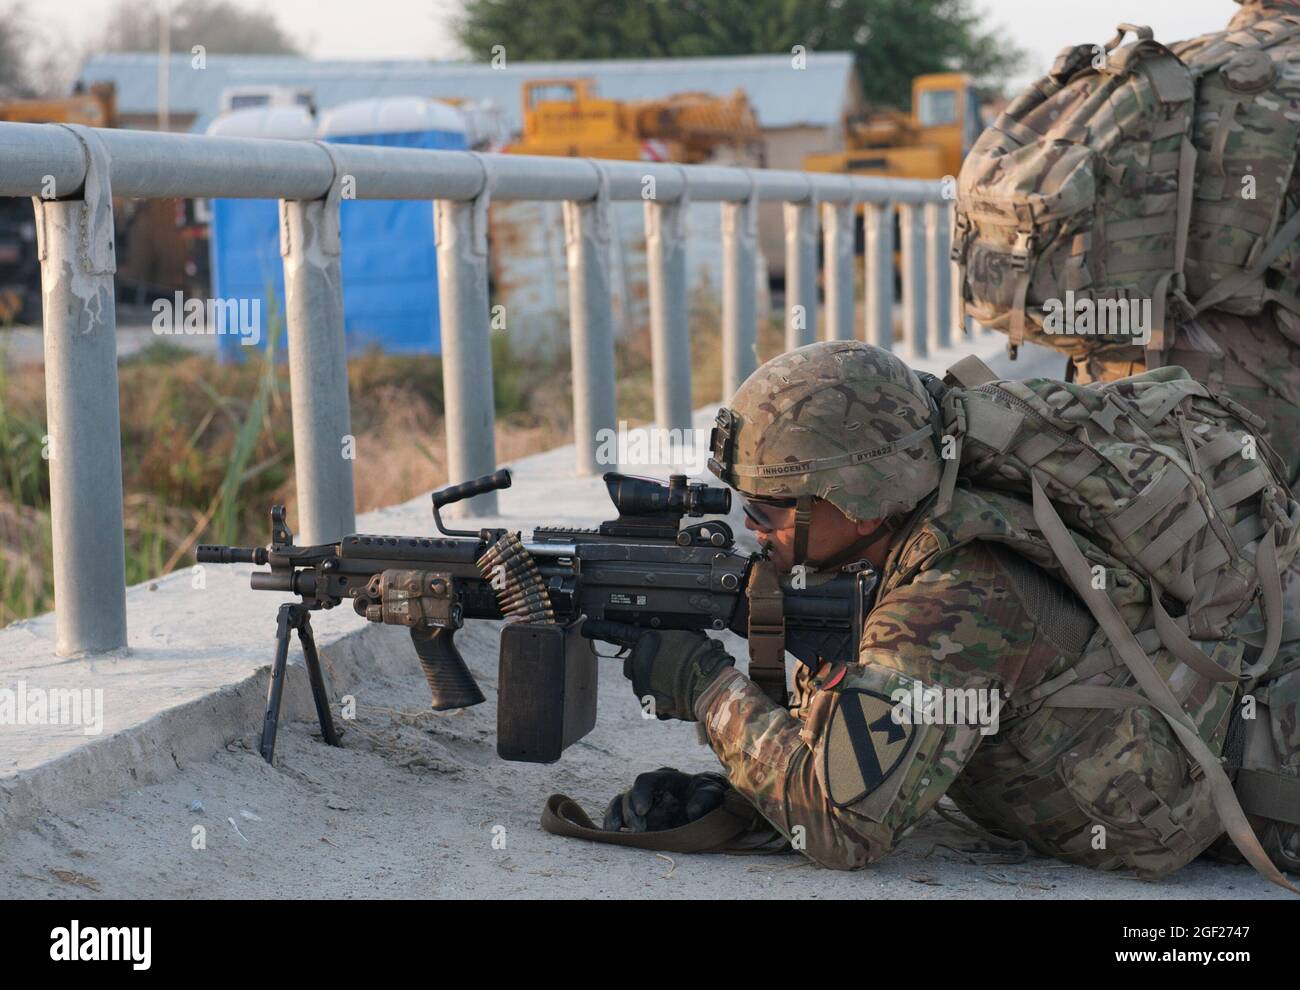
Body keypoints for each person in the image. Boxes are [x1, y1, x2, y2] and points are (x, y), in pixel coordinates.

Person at [581, 340, 1299, 887]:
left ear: (857, 496)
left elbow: (840, 824)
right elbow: (871, 739)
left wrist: (705, 687)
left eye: (767, 508)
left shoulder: (955, 592)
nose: (752, 527)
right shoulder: (925, 516)